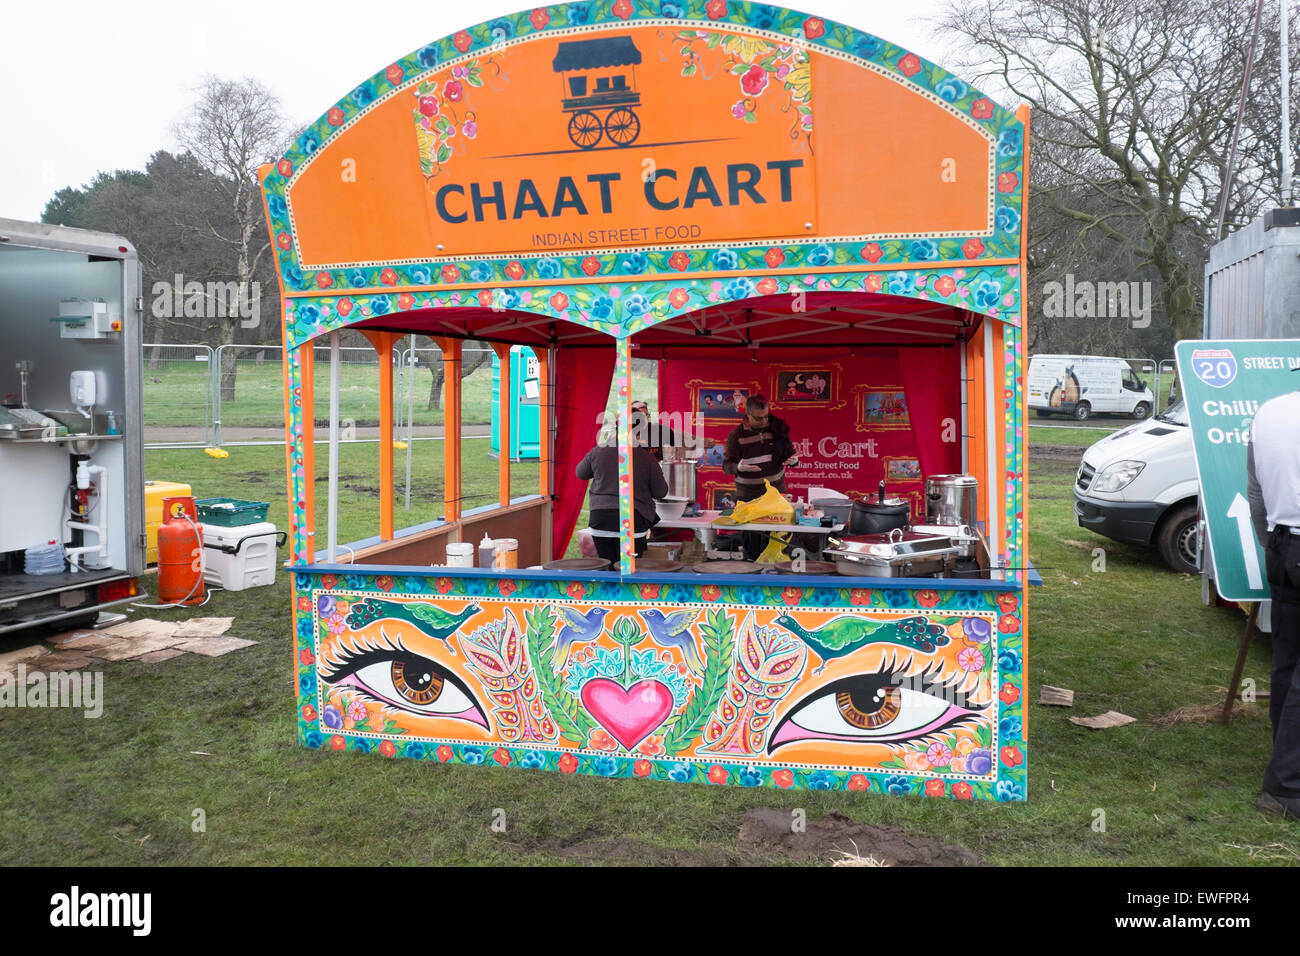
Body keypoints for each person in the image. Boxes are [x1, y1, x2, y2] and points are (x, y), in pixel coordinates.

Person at [1246, 385, 1300, 820]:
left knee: (1287, 660)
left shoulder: (1269, 411)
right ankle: (1285, 787)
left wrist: (1271, 544)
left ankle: (1285, 762)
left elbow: (1256, 492)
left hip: (1283, 544)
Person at [576, 418, 667, 564]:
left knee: (607, 568)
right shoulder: (647, 457)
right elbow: (661, 492)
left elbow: (580, 473)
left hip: (601, 519)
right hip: (633, 520)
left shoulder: (598, 451)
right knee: (630, 570)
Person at [722, 394, 799, 561]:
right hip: (748, 497)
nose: (764, 421)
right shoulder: (736, 436)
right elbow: (726, 466)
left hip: (776, 494)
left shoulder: (777, 429)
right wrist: (738, 467)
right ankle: (752, 576)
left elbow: (790, 454)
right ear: (748, 415)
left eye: (766, 416)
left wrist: (794, 460)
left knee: (778, 541)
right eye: (758, 418)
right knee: (752, 543)